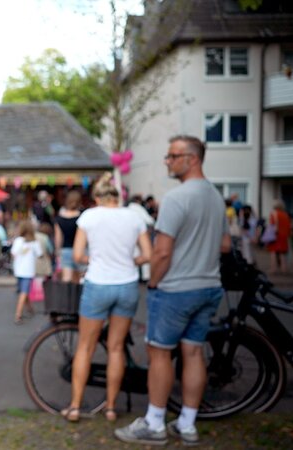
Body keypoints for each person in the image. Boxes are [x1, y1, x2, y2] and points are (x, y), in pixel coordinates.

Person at [115, 136, 230, 446]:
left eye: (173, 156)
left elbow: (162, 251)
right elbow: (225, 244)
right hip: (208, 285)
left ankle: (154, 423)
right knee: (193, 352)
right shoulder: (215, 196)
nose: (167, 161)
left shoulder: (177, 198)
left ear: (192, 159)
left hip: (176, 288)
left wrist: (154, 283)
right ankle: (187, 424)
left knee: (160, 354)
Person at [62, 173, 151, 423]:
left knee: (85, 347)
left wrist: (94, 259)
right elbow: (148, 254)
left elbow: (77, 256)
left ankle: (75, 407)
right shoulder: (134, 217)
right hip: (127, 285)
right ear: (117, 197)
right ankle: (110, 408)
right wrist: (129, 261)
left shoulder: (89, 216)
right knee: (116, 348)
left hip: (98, 284)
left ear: (98, 198)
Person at [11, 220, 43, 324]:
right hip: (28, 271)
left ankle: (30, 309)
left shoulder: (18, 241)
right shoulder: (34, 242)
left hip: (18, 270)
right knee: (24, 292)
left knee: (24, 291)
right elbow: (40, 254)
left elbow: (13, 253)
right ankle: (18, 314)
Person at [54, 190, 84, 283]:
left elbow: (58, 238)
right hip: (81, 250)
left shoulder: (59, 219)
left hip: (65, 250)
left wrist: (58, 253)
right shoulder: (83, 217)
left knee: (66, 279)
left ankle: (67, 293)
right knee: (79, 280)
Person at [266, 200, 292, 274]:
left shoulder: (274, 214)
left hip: (275, 235)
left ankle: (273, 268)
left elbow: (271, 225)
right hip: (284, 236)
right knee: (282, 253)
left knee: (273, 252)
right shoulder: (285, 215)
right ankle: (284, 269)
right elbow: (289, 226)